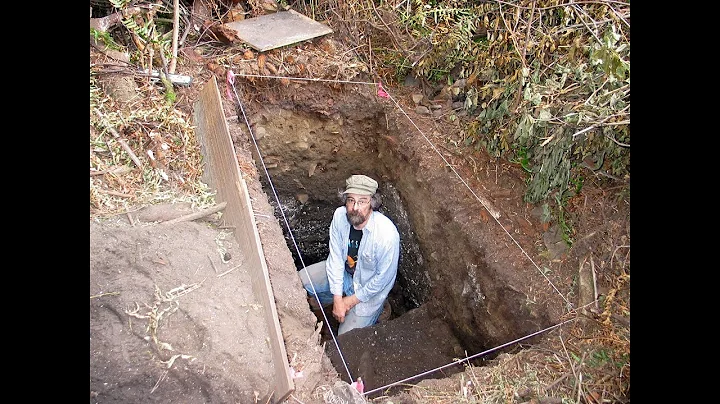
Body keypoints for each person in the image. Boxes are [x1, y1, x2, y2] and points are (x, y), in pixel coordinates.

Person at [299, 174, 400, 335]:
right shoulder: (340, 217)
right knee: (298, 281)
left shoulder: (386, 235)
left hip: (368, 292)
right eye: (351, 200)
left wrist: (349, 302)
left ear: (372, 203)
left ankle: (380, 310)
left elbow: (382, 280)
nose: (355, 207)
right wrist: (338, 299)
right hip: (346, 275)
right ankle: (326, 301)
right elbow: (336, 259)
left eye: (362, 201)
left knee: (345, 339)